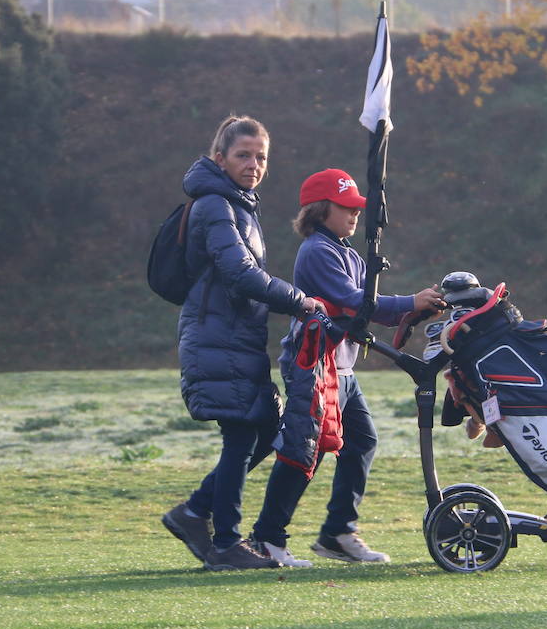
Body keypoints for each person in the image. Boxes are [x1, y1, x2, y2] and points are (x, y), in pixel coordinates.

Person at [249, 168, 445, 567]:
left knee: (361, 442)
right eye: (346, 208)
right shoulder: (318, 252)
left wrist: (410, 313)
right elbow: (354, 302)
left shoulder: (348, 253)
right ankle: (267, 537)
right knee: (305, 452)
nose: (355, 215)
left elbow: (362, 314)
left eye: (358, 208)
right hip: (315, 366)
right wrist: (409, 301)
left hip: (343, 371)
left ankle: (338, 532)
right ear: (321, 210)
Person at [161, 116, 319, 571]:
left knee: (265, 431)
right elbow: (239, 273)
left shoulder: (239, 204)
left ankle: (193, 513)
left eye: (261, 157)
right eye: (244, 155)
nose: (254, 165)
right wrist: (299, 300)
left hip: (236, 337)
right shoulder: (216, 204)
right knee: (242, 434)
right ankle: (227, 543)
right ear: (220, 158)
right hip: (217, 337)